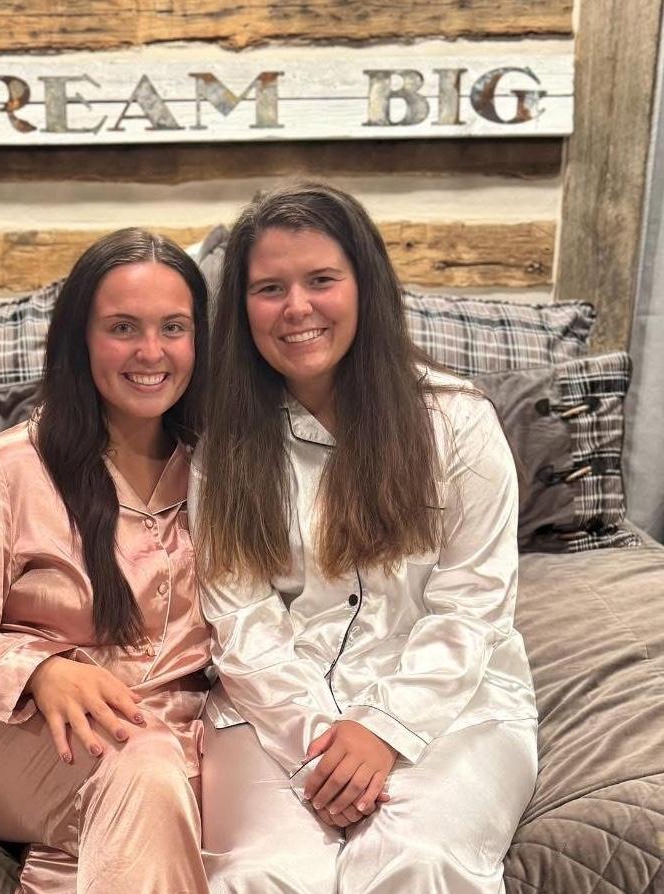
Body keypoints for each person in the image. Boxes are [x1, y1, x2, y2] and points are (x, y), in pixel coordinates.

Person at [190, 183, 538, 893]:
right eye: (269, 288)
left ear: (365, 287)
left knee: (418, 860)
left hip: (452, 703)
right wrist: (322, 742)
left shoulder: (458, 422)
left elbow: (473, 605)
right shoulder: (221, 447)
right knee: (262, 873)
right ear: (242, 310)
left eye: (321, 280)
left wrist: (384, 727)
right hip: (272, 711)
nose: (296, 307)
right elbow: (239, 617)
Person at [0, 228, 211, 894]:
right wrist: (39, 670)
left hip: (178, 727)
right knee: (148, 772)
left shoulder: (222, 472)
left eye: (173, 327)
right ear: (80, 340)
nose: (151, 352)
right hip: (5, 724)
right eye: (122, 327)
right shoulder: (8, 468)